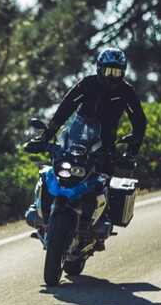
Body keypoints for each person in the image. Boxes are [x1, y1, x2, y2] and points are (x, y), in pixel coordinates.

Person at [37, 47, 147, 248]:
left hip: (105, 145)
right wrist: (46, 136)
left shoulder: (126, 92)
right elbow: (65, 108)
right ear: (99, 68)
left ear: (123, 72)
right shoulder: (87, 84)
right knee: (52, 170)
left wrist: (132, 151)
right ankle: (42, 215)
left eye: (117, 71)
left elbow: (139, 121)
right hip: (76, 139)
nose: (112, 76)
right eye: (108, 70)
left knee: (104, 180)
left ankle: (100, 227)